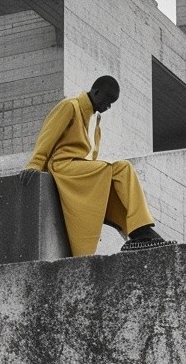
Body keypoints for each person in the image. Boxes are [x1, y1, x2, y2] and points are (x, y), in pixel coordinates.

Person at [22, 76, 173, 254]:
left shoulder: (95, 119)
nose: (108, 106)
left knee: (123, 169)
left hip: (80, 168)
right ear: (96, 92)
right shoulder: (70, 105)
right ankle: (139, 230)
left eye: (111, 103)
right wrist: (35, 164)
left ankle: (139, 229)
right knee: (114, 169)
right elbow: (48, 135)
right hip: (63, 167)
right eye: (107, 100)